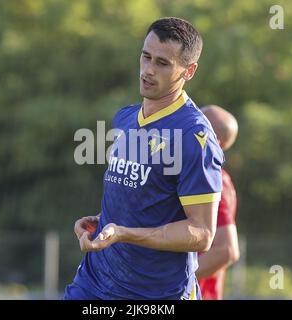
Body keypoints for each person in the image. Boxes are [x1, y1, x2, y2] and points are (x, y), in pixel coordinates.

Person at [64, 17, 224, 300]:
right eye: (145, 57)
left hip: (156, 296)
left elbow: (202, 233)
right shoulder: (124, 117)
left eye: (162, 63)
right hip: (92, 285)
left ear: (189, 71)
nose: (148, 70)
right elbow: (146, 198)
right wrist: (101, 222)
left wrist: (126, 233)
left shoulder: (194, 135)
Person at [196, 105, 240, 300]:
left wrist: (173, 279)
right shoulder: (194, 175)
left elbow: (227, 251)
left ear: (216, 141)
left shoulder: (214, 180)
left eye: (200, 125)